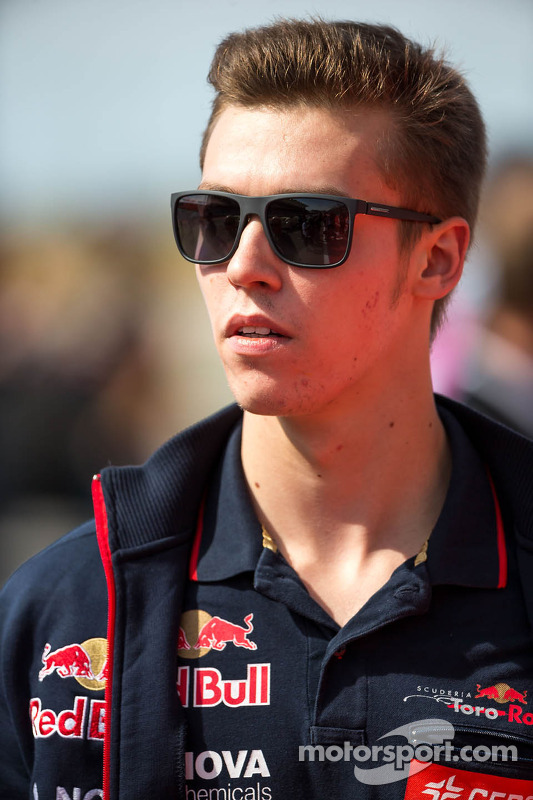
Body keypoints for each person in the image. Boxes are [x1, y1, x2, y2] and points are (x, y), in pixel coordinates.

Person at [1, 18, 533, 800]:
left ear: (438, 259)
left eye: (307, 225)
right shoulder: (62, 607)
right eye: (213, 220)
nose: (244, 266)